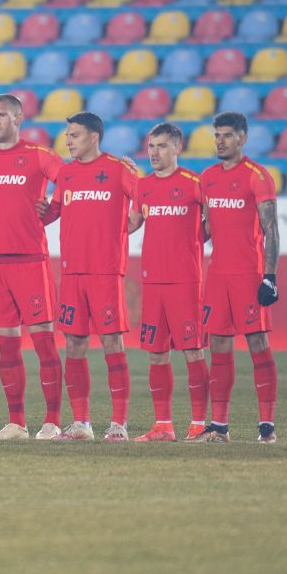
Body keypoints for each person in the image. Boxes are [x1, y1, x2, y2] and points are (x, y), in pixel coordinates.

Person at [39, 111, 139, 442]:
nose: (68, 141)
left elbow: (143, 204)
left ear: (94, 137)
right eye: (67, 135)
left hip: (106, 272)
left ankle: (118, 425)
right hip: (72, 272)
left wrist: (130, 223)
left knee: (112, 342)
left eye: (74, 135)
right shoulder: (65, 175)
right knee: (75, 344)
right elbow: (53, 212)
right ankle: (81, 423)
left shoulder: (118, 170)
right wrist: (38, 211)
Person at [0, 95, 64, 441]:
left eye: (1, 115)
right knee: (7, 346)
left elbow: (69, 181)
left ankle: (52, 422)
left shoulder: (39, 155)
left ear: (18, 118)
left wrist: (52, 212)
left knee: (44, 344)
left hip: (31, 262)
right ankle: (17, 423)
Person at [192, 112, 280, 444]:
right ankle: (220, 427)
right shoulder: (208, 177)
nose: (220, 141)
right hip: (218, 275)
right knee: (218, 346)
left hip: (249, 273)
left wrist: (270, 276)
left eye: (227, 135)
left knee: (258, 343)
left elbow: (271, 230)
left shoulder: (258, 177)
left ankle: (267, 426)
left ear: (242, 138)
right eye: (217, 135)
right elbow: (207, 228)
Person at [126, 123, 210, 442]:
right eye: (151, 147)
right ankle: (163, 426)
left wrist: (191, 244)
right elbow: (131, 224)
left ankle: (199, 424)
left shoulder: (193, 183)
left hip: (185, 281)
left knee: (192, 350)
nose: (154, 153)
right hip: (153, 281)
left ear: (177, 147)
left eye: (161, 146)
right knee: (156, 353)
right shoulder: (143, 186)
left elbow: (211, 223)